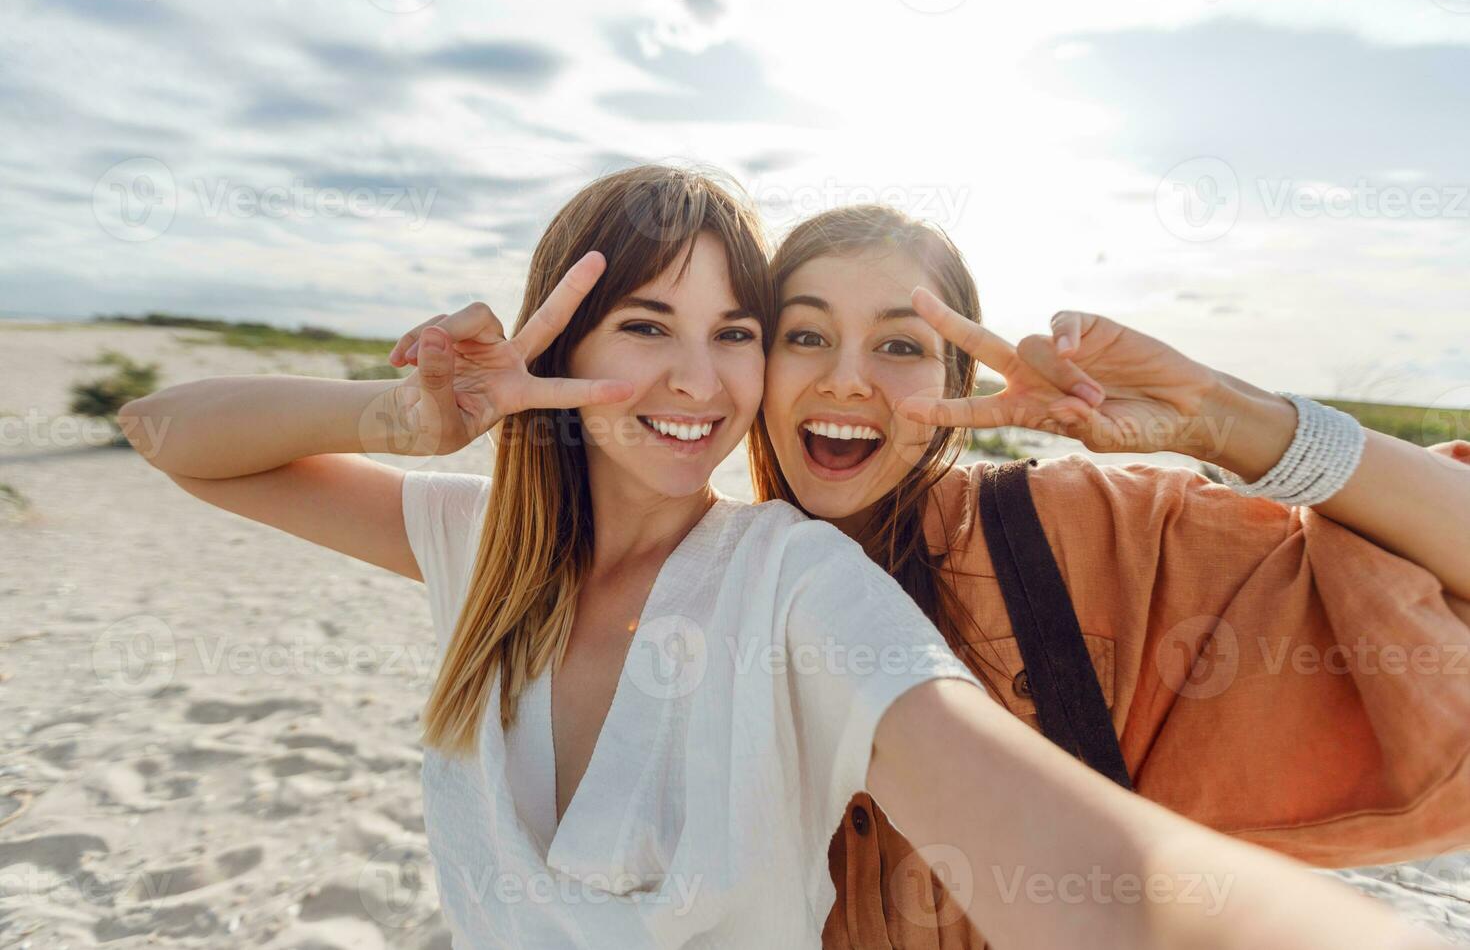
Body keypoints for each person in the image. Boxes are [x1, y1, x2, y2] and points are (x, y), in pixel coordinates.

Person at [120, 167, 1451, 949]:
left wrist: (1231, 421)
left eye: (735, 333)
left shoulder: (812, 581)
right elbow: (168, 433)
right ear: (560, 347)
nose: (704, 376)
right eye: (798, 331)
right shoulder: (482, 550)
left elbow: (1117, 885)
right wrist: (403, 415)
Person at [745, 203, 1470, 948]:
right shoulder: (677, 586)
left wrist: (1219, 416)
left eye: (899, 344)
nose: (848, 380)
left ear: (958, 380)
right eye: (806, 335)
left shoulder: (1083, 535)